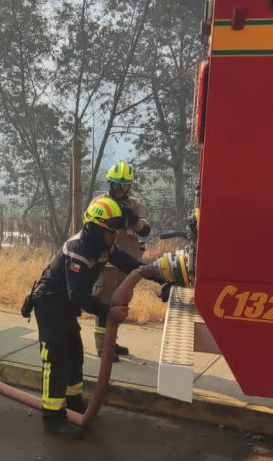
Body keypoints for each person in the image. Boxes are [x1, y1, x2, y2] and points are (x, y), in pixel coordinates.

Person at [26, 197, 161, 439]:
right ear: (95, 227)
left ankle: (73, 401)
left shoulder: (102, 245)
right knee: (56, 359)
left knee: (75, 353)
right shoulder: (78, 250)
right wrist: (108, 311)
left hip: (66, 306)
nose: (113, 237)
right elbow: (77, 295)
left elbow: (128, 263)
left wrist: (156, 273)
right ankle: (53, 418)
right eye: (110, 232)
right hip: (50, 305)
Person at [91, 161, 151, 361]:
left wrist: (133, 220)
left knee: (120, 307)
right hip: (107, 266)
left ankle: (112, 343)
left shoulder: (135, 205)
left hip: (128, 266)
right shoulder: (100, 202)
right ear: (110, 183)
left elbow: (146, 230)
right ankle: (103, 349)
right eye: (116, 185)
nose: (120, 189)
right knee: (104, 305)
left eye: (124, 186)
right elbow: (90, 228)